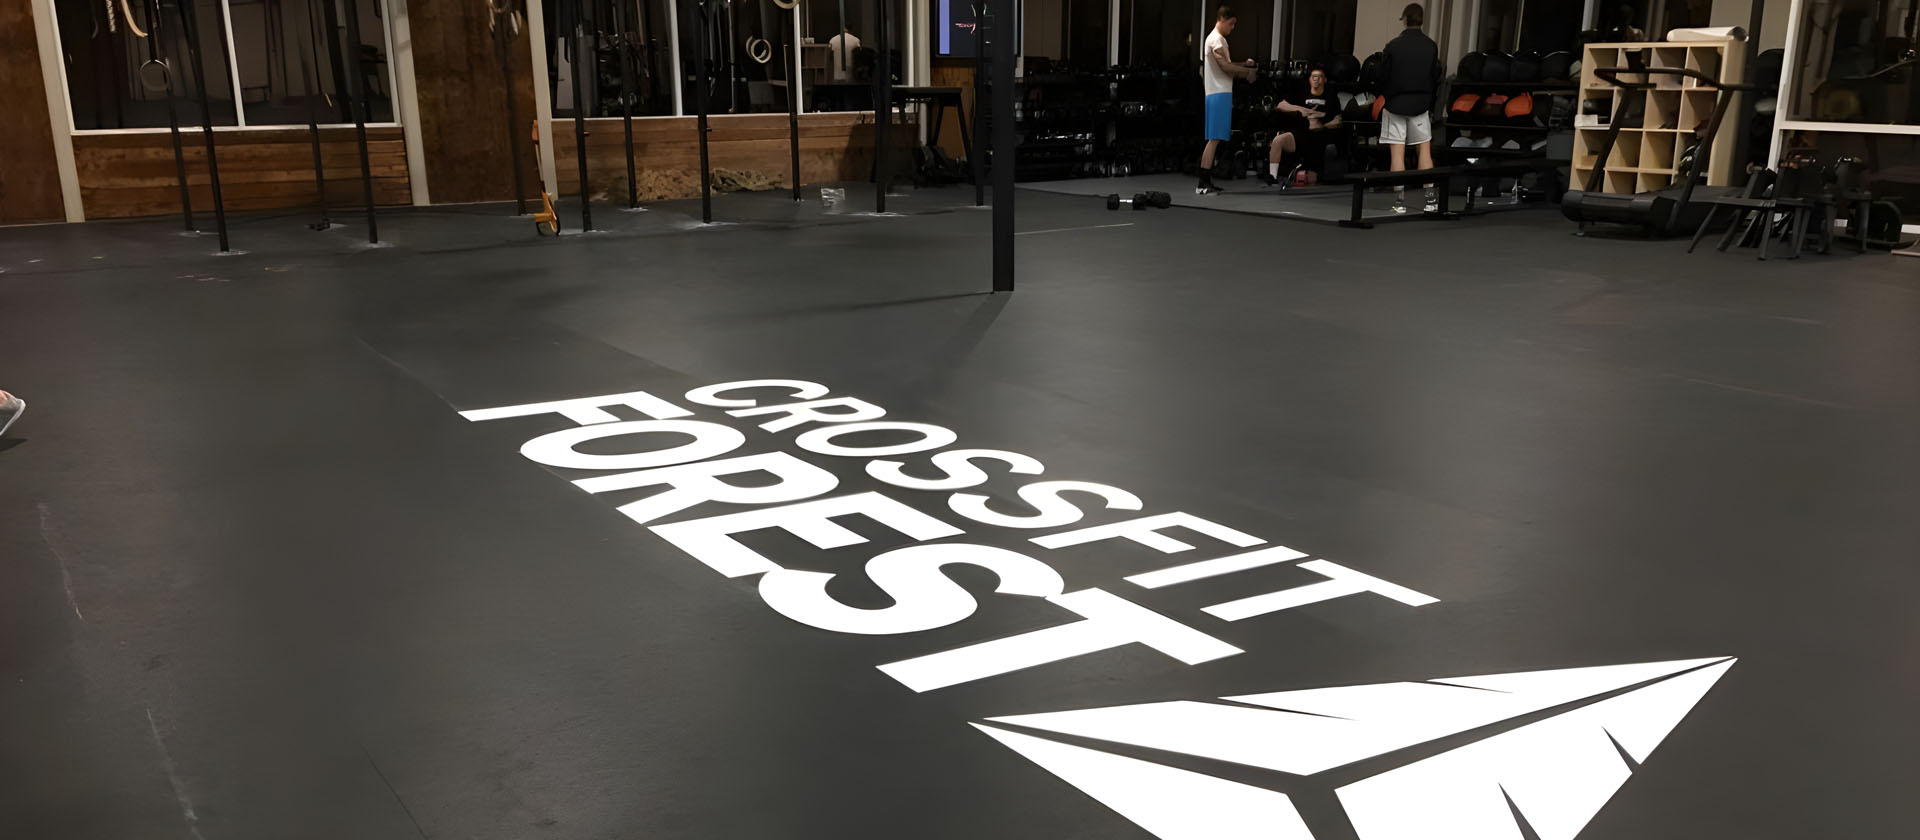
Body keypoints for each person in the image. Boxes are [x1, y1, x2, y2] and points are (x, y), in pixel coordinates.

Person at [1381, 3, 1440, 213]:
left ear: (1405, 19)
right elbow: (1435, 76)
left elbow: (1383, 76)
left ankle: (1399, 202)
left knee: (1397, 155)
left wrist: (1388, 97)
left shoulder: (1393, 46)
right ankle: (1430, 201)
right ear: (1421, 20)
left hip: (1396, 104)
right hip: (1421, 104)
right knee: (1424, 151)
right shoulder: (1431, 46)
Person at [1198, 6, 1258, 195]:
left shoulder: (1215, 39)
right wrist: (1247, 72)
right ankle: (1202, 182)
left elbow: (1226, 65)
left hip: (1218, 92)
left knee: (1214, 139)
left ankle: (1205, 181)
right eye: (1231, 24)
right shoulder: (1216, 39)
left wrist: (1243, 65)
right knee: (1213, 139)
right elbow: (1225, 66)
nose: (1232, 28)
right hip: (1218, 93)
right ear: (1222, 19)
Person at [1260, 66, 1343, 186]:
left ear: (1324, 79)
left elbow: (1338, 121)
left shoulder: (1331, 97)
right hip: (1302, 134)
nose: (1316, 79)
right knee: (1278, 140)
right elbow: (1281, 105)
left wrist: (1322, 124)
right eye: (1314, 77)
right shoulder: (1302, 93)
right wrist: (1305, 111)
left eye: (1319, 77)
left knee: (1312, 177)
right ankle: (1273, 176)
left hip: (1320, 137)